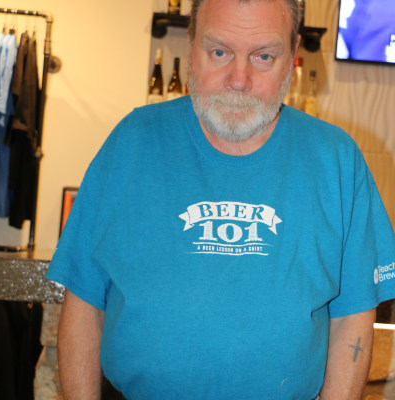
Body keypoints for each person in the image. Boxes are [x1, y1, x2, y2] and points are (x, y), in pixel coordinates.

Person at [46, 0, 395, 399]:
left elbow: (353, 317)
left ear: (293, 53)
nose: (239, 79)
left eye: (263, 56)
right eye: (219, 52)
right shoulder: (132, 142)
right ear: (191, 43)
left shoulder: (337, 160)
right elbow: (84, 299)